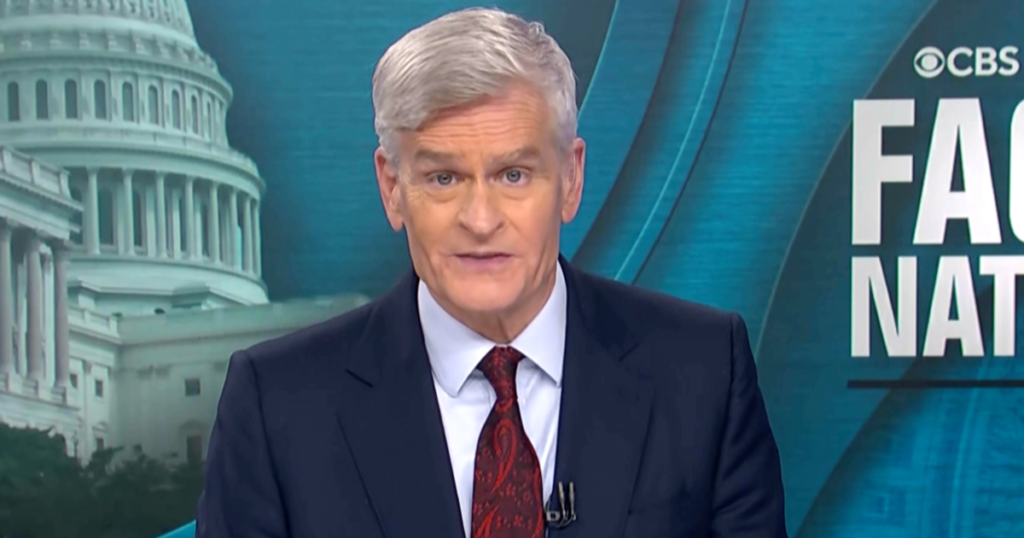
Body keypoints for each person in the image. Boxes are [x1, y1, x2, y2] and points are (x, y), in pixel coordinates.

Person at [195, 6, 787, 538]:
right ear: (393, 188)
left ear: (571, 178)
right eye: (443, 178)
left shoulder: (703, 372)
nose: (480, 220)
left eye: (514, 175)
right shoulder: (278, 407)